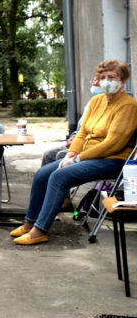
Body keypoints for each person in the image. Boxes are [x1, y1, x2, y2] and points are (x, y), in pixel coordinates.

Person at [12, 60, 137, 245]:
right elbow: (83, 132)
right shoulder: (96, 101)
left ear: (123, 81)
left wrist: (79, 157)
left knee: (59, 176)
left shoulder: (128, 106)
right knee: (42, 174)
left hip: (112, 159)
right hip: (87, 156)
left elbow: (113, 144)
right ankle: (30, 222)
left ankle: (40, 230)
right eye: (103, 77)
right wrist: (72, 153)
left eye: (112, 77)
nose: (106, 81)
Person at [41, 73, 101, 166]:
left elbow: (96, 132)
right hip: (78, 139)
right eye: (93, 80)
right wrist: (73, 137)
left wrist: (76, 142)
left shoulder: (105, 106)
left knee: (60, 155)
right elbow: (81, 128)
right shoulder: (91, 102)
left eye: (98, 80)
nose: (94, 83)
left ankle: (59, 174)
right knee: (48, 154)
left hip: (88, 144)